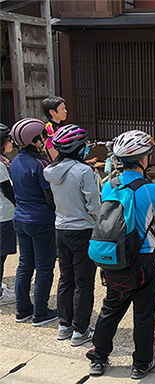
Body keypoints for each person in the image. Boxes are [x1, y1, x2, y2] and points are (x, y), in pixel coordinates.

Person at [86, 130, 155, 380]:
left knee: (110, 308)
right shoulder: (152, 190)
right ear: (144, 159)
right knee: (144, 314)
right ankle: (142, 363)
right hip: (143, 262)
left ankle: (98, 357)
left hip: (113, 258)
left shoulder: (108, 185)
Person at [43, 125, 100, 346]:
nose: (87, 148)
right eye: (85, 144)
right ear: (78, 148)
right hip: (82, 230)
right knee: (84, 281)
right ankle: (81, 330)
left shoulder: (51, 170)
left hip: (61, 228)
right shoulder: (83, 171)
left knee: (66, 278)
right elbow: (94, 205)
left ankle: (64, 325)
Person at [9, 118, 58, 326]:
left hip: (20, 218)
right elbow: (50, 197)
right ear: (36, 140)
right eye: (43, 137)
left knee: (24, 265)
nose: (45, 140)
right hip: (41, 221)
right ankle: (40, 312)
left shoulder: (14, 162)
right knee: (45, 267)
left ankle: (22, 310)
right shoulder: (41, 164)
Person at [0, 123, 17, 305]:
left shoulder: (3, 161)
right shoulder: (0, 165)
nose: (11, 142)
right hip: (3, 214)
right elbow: (9, 193)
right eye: (9, 139)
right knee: (1, 255)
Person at [42, 96, 68, 161]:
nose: (66, 111)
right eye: (62, 109)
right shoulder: (49, 129)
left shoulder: (59, 126)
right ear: (52, 112)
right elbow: (54, 157)